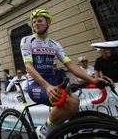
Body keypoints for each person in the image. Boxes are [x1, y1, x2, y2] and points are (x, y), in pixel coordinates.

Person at [21, 9, 113, 138]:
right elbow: (28, 66)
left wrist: (93, 80)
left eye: (40, 21)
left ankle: (58, 132)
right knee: (64, 101)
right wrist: (47, 86)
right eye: (34, 22)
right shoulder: (27, 40)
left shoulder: (54, 44)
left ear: (48, 22)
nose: (36, 24)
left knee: (74, 101)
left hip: (52, 81)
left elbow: (70, 65)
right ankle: (42, 132)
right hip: (36, 84)